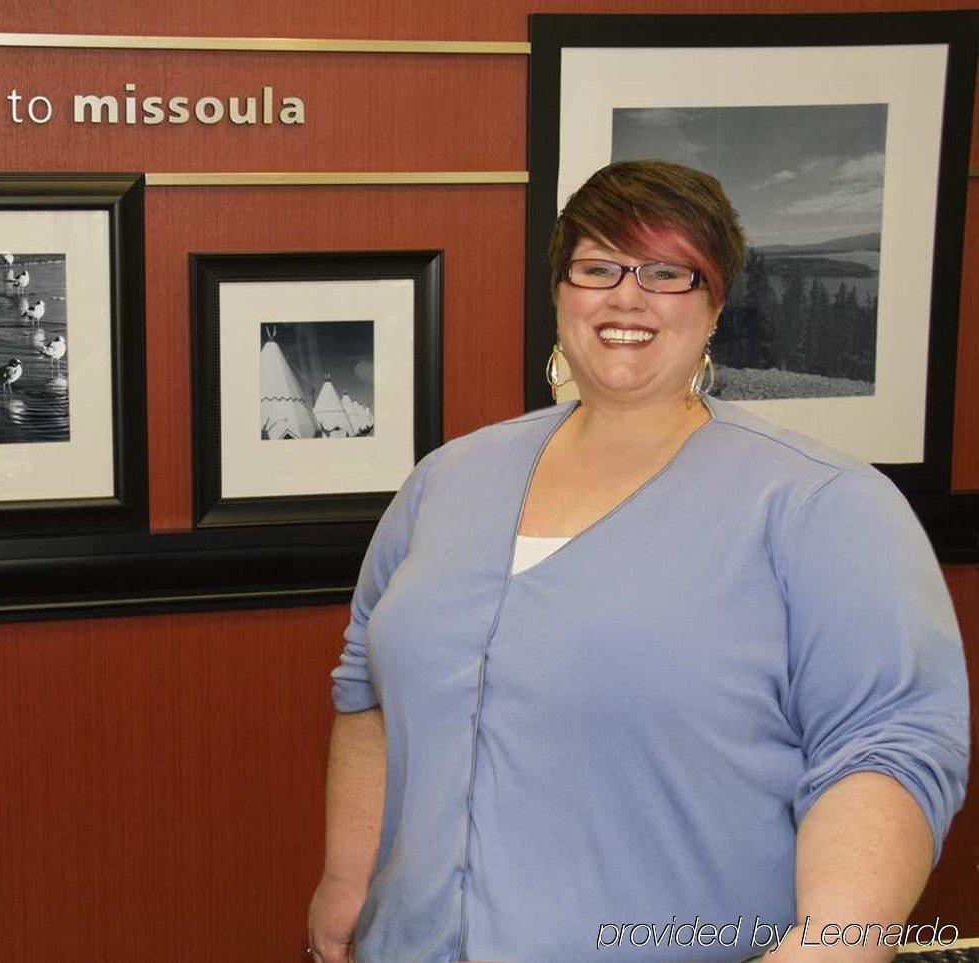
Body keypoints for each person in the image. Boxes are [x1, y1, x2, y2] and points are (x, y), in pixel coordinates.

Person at [307, 160, 969, 963]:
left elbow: (889, 745)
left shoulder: (821, 505)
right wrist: (348, 880)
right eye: (598, 267)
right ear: (560, 291)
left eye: (668, 272)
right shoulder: (448, 479)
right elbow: (366, 690)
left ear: (716, 303)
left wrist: (830, 947)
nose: (628, 296)